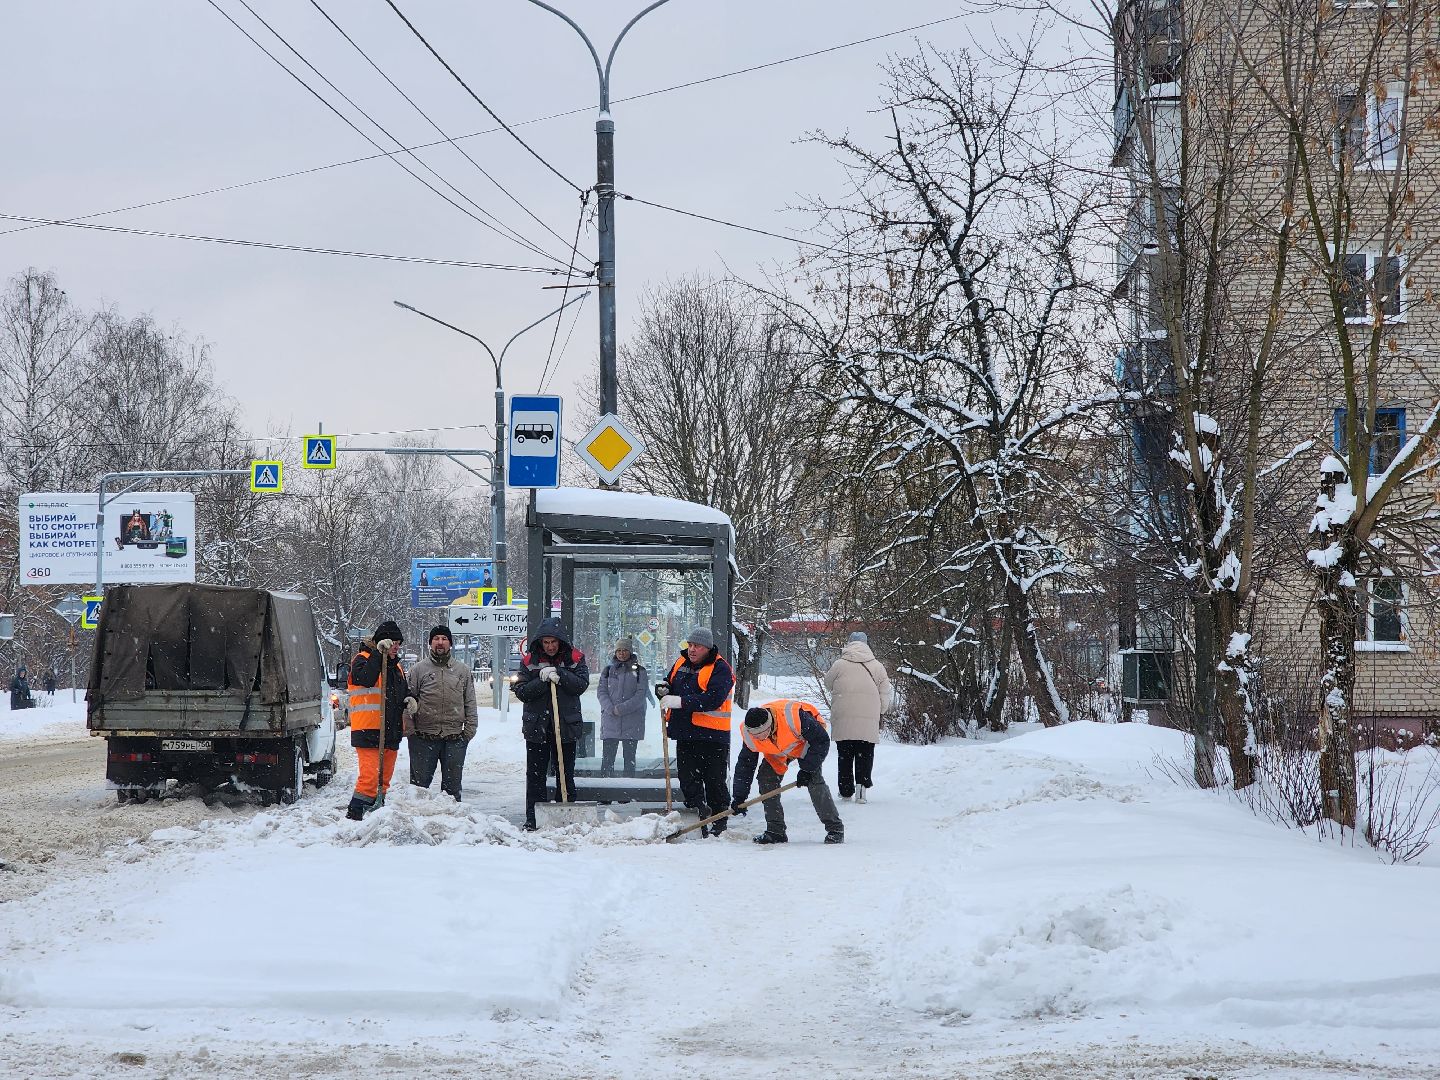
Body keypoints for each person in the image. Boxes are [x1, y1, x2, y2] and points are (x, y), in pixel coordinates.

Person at [730, 699, 844, 845]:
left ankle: (835, 829)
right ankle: (776, 831)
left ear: (769, 724)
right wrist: (739, 797)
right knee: (766, 778)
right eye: (755, 735)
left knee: (814, 781)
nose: (758, 738)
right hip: (777, 749)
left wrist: (807, 769)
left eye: (761, 734)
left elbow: (821, 741)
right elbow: (745, 765)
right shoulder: (748, 734)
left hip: (805, 744)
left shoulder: (794, 718)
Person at [513, 617, 589, 830]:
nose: (550, 647)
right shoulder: (530, 661)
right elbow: (522, 692)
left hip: (565, 727)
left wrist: (561, 674)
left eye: (553, 642)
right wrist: (542, 680)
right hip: (538, 728)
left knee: (565, 774)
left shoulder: (574, 659)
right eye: (546, 642)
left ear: (561, 641)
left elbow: (581, 685)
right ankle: (534, 818)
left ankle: (565, 814)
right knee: (535, 776)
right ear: (540, 642)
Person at [656, 626, 733, 836]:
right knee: (688, 780)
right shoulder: (681, 662)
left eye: (696, 646)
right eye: (690, 645)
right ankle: (699, 813)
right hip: (685, 732)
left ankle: (719, 819)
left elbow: (713, 699)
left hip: (712, 735)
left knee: (714, 780)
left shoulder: (720, 668)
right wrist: (663, 688)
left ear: (707, 648)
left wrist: (680, 701)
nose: (691, 650)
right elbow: (670, 682)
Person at [345, 620, 412, 821]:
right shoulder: (362, 659)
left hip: (390, 732)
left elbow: (400, 691)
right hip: (368, 730)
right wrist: (378, 654)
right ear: (381, 641)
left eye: (399, 643)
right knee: (370, 778)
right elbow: (365, 678)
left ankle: (377, 814)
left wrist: (409, 698)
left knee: (384, 779)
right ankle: (355, 815)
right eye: (393, 642)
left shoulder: (396, 667)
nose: (396, 646)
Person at [406, 625, 477, 801]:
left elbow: (470, 702)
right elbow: (407, 702)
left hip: (454, 738)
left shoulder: (462, 671)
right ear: (430, 643)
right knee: (419, 791)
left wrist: (469, 731)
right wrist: (411, 732)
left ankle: (454, 825)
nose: (440, 642)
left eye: (444, 639)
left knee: (452, 792)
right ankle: (418, 821)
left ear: (450, 644)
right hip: (423, 738)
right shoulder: (418, 670)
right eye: (436, 639)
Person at [823, 631, 894, 802]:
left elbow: (827, 683)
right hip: (868, 716)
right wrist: (881, 710)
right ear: (866, 644)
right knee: (865, 752)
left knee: (845, 754)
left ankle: (846, 790)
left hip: (844, 715)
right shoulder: (877, 666)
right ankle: (862, 787)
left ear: (849, 644)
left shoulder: (839, 664)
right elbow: (885, 691)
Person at [598, 635, 648, 777]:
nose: (621, 653)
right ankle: (605, 794)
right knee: (607, 760)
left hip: (632, 722)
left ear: (630, 652)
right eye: (618, 650)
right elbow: (601, 692)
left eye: (624, 650)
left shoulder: (640, 671)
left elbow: (640, 695)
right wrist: (610, 708)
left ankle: (627, 793)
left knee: (629, 759)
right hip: (610, 720)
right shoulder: (608, 670)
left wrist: (622, 708)